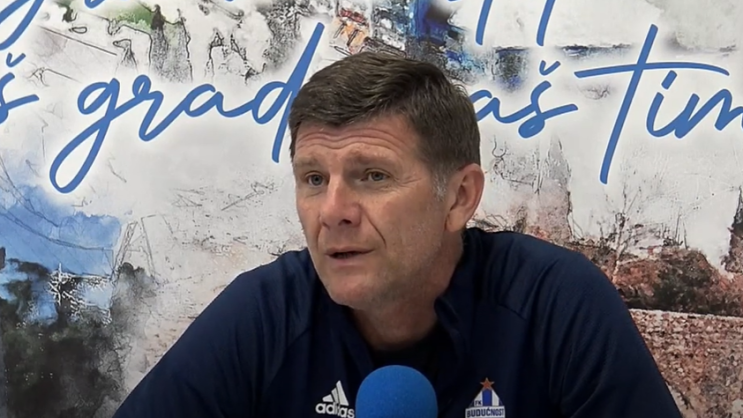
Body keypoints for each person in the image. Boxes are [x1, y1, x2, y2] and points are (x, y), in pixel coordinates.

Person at [112, 51, 682, 418]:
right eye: (314, 179)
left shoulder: (556, 303)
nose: (333, 211)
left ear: (459, 198)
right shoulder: (266, 311)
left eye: (374, 176)